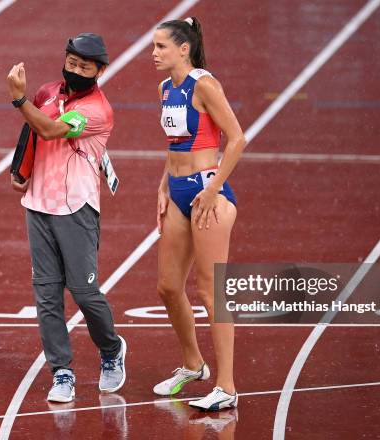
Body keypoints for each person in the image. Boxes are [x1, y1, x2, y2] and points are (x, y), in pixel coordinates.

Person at [6, 33, 126, 403]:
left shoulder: (96, 110)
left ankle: (111, 351)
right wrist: (20, 171)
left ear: (99, 70)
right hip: (39, 206)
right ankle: (61, 371)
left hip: (76, 210)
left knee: (86, 293)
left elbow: (49, 128)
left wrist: (18, 98)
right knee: (46, 297)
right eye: (71, 63)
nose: (74, 70)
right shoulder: (46, 93)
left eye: (83, 66)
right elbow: (31, 132)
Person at [151, 17, 245, 411]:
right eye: (154, 47)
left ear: (183, 49)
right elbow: (176, 143)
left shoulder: (204, 85)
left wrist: (211, 189)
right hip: (176, 192)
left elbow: (237, 138)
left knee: (210, 292)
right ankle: (193, 364)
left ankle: (226, 386)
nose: (154, 54)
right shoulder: (164, 88)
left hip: (209, 195)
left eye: (161, 47)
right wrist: (161, 186)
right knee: (168, 287)